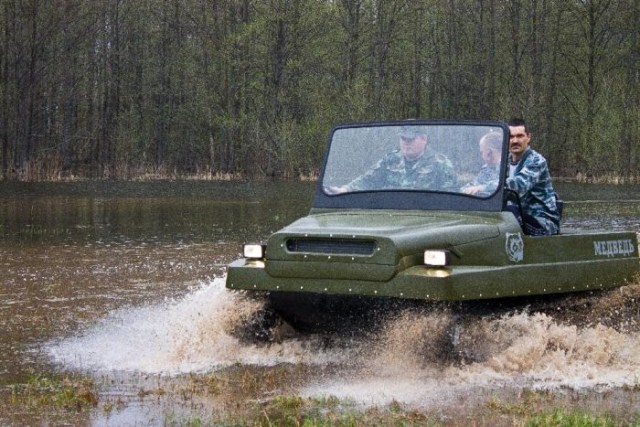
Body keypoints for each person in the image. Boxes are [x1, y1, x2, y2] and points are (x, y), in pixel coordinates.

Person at [325, 127, 457, 194]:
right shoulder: (390, 160)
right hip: (392, 215)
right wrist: (346, 189)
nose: (406, 143)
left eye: (410, 139)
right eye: (403, 139)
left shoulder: (441, 164)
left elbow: (450, 198)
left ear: (424, 139)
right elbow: (368, 180)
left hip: (426, 219)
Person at [505, 118, 560, 236]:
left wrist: (486, 186)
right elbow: (484, 179)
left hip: (543, 224)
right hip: (519, 219)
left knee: (509, 212)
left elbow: (518, 186)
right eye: (511, 137)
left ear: (528, 137)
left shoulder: (536, 161)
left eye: (520, 136)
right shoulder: (503, 162)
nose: (515, 141)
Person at [461, 131, 502, 195]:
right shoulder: (486, 169)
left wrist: (482, 188)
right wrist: (464, 190)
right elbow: (475, 183)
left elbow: (504, 184)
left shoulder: (508, 166)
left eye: (482, 152)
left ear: (489, 152)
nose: (482, 156)